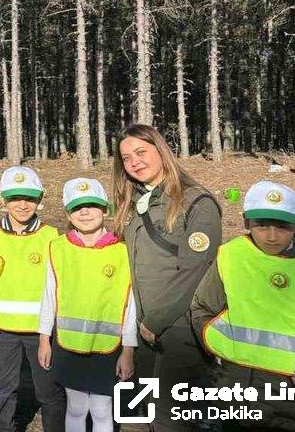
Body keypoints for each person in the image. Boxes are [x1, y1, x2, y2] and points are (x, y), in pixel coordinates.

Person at [190, 181, 295, 429]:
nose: (272, 235)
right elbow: (202, 308)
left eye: (282, 226)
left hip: (290, 402)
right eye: (262, 225)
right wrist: (221, 351)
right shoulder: (230, 256)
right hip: (235, 394)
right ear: (246, 222)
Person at [111, 123, 221, 429]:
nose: (134, 162)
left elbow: (196, 269)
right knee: (133, 417)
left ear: (161, 150)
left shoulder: (196, 202)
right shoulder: (130, 206)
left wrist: (156, 320)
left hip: (179, 331)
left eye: (141, 152)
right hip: (139, 330)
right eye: (126, 157)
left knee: (169, 421)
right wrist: (132, 334)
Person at [38, 178, 137, 432]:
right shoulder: (58, 248)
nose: (84, 212)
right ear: (68, 214)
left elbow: (130, 303)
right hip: (69, 346)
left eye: (92, 205)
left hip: (108, 348)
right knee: (76, 408)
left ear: (105, 210)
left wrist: (128, 349)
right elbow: (49, 295)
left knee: (103, 409)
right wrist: (44, 338)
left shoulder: (122, 250)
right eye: (76, 207)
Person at [0, 167, 65, 432]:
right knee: (3, 386)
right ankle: (2, 426)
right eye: (15, 198)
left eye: (29, 198)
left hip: (40, 331)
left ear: (40, 199)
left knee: (48, 388)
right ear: (3, 199)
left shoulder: (51, 236)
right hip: (3, 329)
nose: (22, 205)